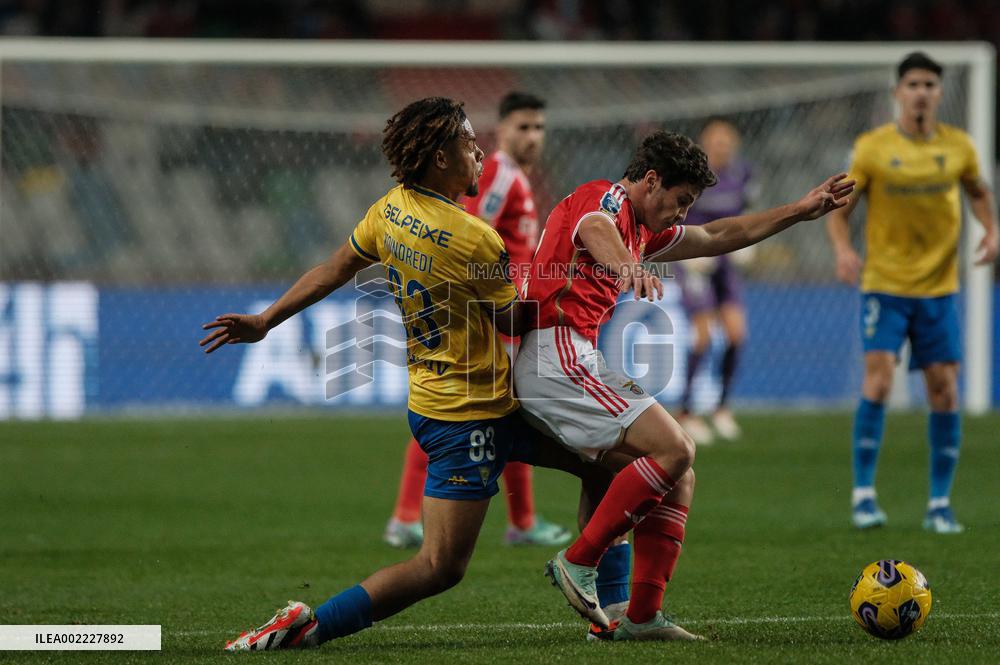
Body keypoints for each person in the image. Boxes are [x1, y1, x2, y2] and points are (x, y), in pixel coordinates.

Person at [201, 97, 613, 652]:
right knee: (440, 566)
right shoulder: (475, 239)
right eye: (469, 144)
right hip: (471, 416)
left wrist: (266, 320)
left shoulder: (390, 209)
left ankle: (611, 611)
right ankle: (308, 626)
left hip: (448, 399)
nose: (479, 152)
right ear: (441, 157)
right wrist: (569, 275)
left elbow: (334, 268)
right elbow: (515, 316)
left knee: (607, 464)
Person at [514, 130, 854, 640]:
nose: (682, 213)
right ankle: (577, 561)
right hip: (552, 351)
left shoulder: (645, 231)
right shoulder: (606, 199)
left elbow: (718, 236)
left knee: (678, 475)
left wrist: (798, 210)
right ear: (650, 181)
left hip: (571, 356)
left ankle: (642, 616)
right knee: (676, 447)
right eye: (680, 201)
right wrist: (629, 267)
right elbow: (594, 227)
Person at [384, 91, 571, 549]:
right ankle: (408, 516)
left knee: (506, 410)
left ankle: (522, 522)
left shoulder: (516, 179)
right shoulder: (499, 177)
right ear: (502, 128)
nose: (532, 136)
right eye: (523, 127)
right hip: (491, 312)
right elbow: (463, 231)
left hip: (504, 307)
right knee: (465, 411)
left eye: (538, 128)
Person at [826, 52, 998, 534]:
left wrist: (992, 228)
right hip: (885, 284)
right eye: (913, 84)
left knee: (944, 390)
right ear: (898, 92)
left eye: (929, 84)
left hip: (940, 289)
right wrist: (842, 251)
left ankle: (940, 503)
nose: (921, 92)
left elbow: (978, 190)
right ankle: (863, 496)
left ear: (939, 93)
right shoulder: (873, 148)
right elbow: (839, 208)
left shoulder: (959, 146)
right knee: (878, 381)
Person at [674, 118, 756, 445]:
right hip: (694, 261)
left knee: (737, 333)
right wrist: (686, 249)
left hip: (724, 260)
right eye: (715, 142)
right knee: (703, 335)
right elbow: (675, 213)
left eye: (726, 142)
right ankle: (687, 411)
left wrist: (749, 243)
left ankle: (721, 407)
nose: (721, 148)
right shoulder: (691, 176)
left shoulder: (743, 174)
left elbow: (749, 209)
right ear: (704, 146)